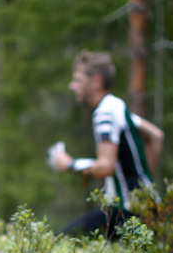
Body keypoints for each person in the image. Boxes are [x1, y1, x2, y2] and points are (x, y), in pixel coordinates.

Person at [47, 51, 164, 239]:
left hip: (129, 213)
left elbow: (106, 166)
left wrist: (70, 164)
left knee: (62, 241)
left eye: (77, 80)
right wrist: (142, 178)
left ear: (96, 81)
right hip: (149, 209)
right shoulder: (117, 107)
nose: (72, 86)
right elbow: (157, 136)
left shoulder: (105, 112)